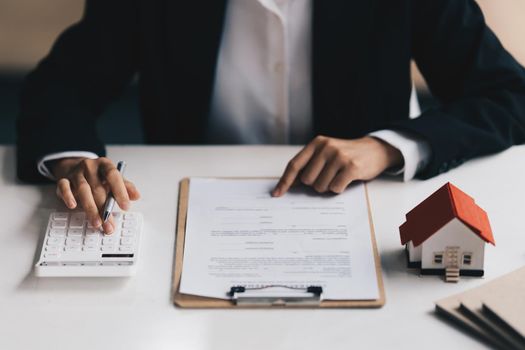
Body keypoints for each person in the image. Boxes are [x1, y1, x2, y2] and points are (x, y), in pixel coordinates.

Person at [17, 0, 525, 234]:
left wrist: (389, 146)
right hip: (186, 210)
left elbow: (509, 94)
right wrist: (72, 158)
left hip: (375, 211)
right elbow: (61, 85)